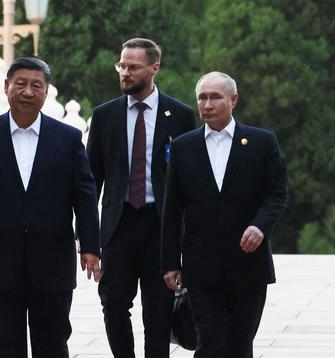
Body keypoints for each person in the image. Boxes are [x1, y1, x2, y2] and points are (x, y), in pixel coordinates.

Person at [0, 57, 101, 358]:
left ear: (46, 91)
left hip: (53, 263)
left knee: (51, 343)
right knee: (3, 342)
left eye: (36, 85)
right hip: (0, 260)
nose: (27, 91)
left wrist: (90, 245)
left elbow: (85, 194)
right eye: (21, 84)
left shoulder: (67, 138)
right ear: (6, 87)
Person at [161, 71, 288, 358]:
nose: (207, 104)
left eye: (215, 97)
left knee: (240, 345)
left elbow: (276, 194)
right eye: (202, 98)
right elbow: (172, 208)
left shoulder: (261, 143)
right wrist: (169, 263)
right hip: (200, 265)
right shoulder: (183, 147)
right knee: (209, 343)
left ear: (233, 100)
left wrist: (260, 226)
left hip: (247, 264)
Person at [87, 37, 196, 358]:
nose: (125, 72)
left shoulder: (180, 115)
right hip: (118, 226)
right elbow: (91, 181)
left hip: (161, 228)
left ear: (154, 68)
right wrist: (88, 241)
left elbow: (189, 185)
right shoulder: (104, 116)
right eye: (122, 66)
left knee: (159, 308)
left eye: (133, 67)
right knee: (113, 303)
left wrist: (187, 241)